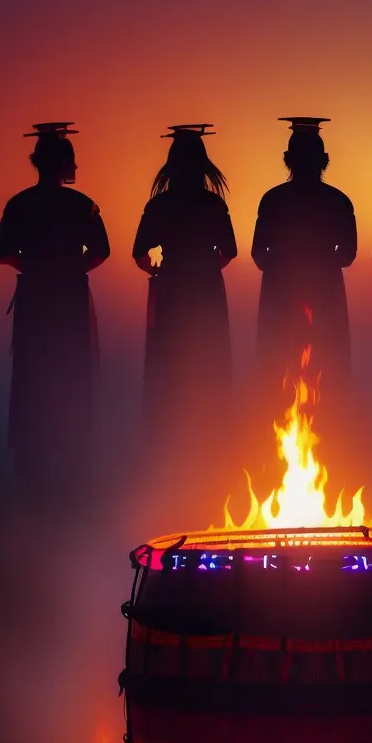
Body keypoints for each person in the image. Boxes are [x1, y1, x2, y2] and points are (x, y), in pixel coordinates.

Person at [0, 122, 110, 492]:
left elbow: (4, 253)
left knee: (32, 377)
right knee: (72, 374)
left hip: (35, 301)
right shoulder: (81, 205)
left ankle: (35, 471)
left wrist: (35, 268)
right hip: (69, 301)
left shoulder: (18, 205)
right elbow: (101, 251)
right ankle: (72, 466)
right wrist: (71, 267)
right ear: (65, 164)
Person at [132, 125, 237, 507]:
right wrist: (207, 268)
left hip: (174, 286)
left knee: (170, 367)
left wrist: (158, 272)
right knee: (210, 368)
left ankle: (172, 453)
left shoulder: (158, 206)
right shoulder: (213, 204)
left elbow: (139, 253)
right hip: (206, 288)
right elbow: (230, 251)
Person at [251, 118, 357, 417]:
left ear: (288, 160)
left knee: (278, 365)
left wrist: (283, 269)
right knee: (327, 364)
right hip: (326, 292)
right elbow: (348, 254)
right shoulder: (338, 201)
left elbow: (258, 253)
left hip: (279, 293)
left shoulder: (272, 200)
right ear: (324, 160)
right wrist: (321, 265)